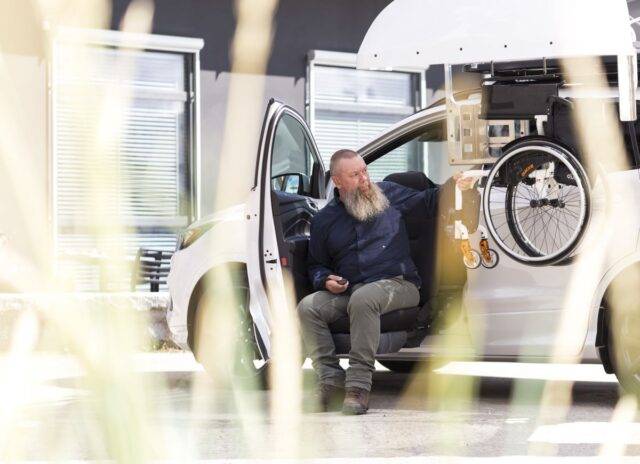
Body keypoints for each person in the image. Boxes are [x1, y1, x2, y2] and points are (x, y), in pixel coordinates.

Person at [297, 149, 477, 415]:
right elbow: (316, 265)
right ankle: (330, 380)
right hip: (353, 289)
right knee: (308, 307)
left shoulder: (389, 194)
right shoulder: (325, 221)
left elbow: (431, 201)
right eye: (355, 174)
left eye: (365, 171)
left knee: (364, 298)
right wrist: (326, 279)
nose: (364, 179)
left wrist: (456, 185)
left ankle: (358, 386)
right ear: (337, 181)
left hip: (400, 284)